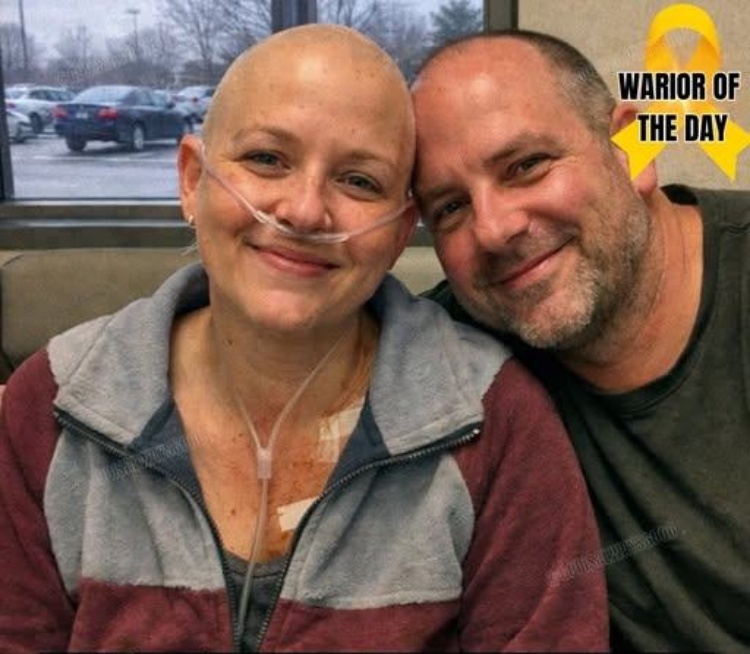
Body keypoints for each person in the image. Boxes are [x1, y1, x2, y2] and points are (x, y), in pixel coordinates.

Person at [0, 24, 607, 653]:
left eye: (359, 181)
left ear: (399, 233)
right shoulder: (53, 406)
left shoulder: (493, 420)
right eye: (267, 159)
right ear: (191, 179)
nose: (305, 211)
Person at [412, 28, 750, 653]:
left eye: (526, 166)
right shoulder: (449, 353)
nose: (493, 230)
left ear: (630, 151)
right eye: (450, 208)